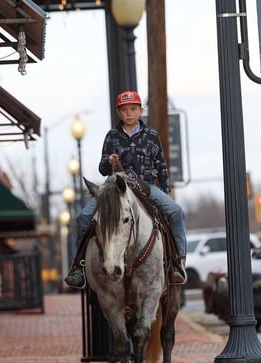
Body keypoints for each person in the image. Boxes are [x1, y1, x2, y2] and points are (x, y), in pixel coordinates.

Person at [64, 90, 187, 289]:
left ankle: (177, 262)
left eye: (133, 109)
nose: (129, 113)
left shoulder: (151, 136)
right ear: (118, 112)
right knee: (84, 217)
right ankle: (79, 266)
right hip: (115, 185)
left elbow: (161, 166)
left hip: (145, 185)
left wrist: (165, 192)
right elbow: (102, 169)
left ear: (140, 110)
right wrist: (109, 161)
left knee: (176, 212)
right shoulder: (111, 136)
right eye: (124, 110)